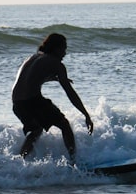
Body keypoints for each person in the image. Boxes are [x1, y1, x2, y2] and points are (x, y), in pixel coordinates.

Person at [12, 32, 94, 161]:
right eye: (63, 49)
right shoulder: (57, 64)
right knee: (64, 125)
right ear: (56, 48)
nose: (65, 53)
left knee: (36, 130)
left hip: (17, 103)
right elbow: (70, 93)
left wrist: (52, 78)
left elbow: (29, 80)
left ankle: (19, 161)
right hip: (32, 102)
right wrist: (86, 114)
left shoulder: (32, 58)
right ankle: (74, 163)